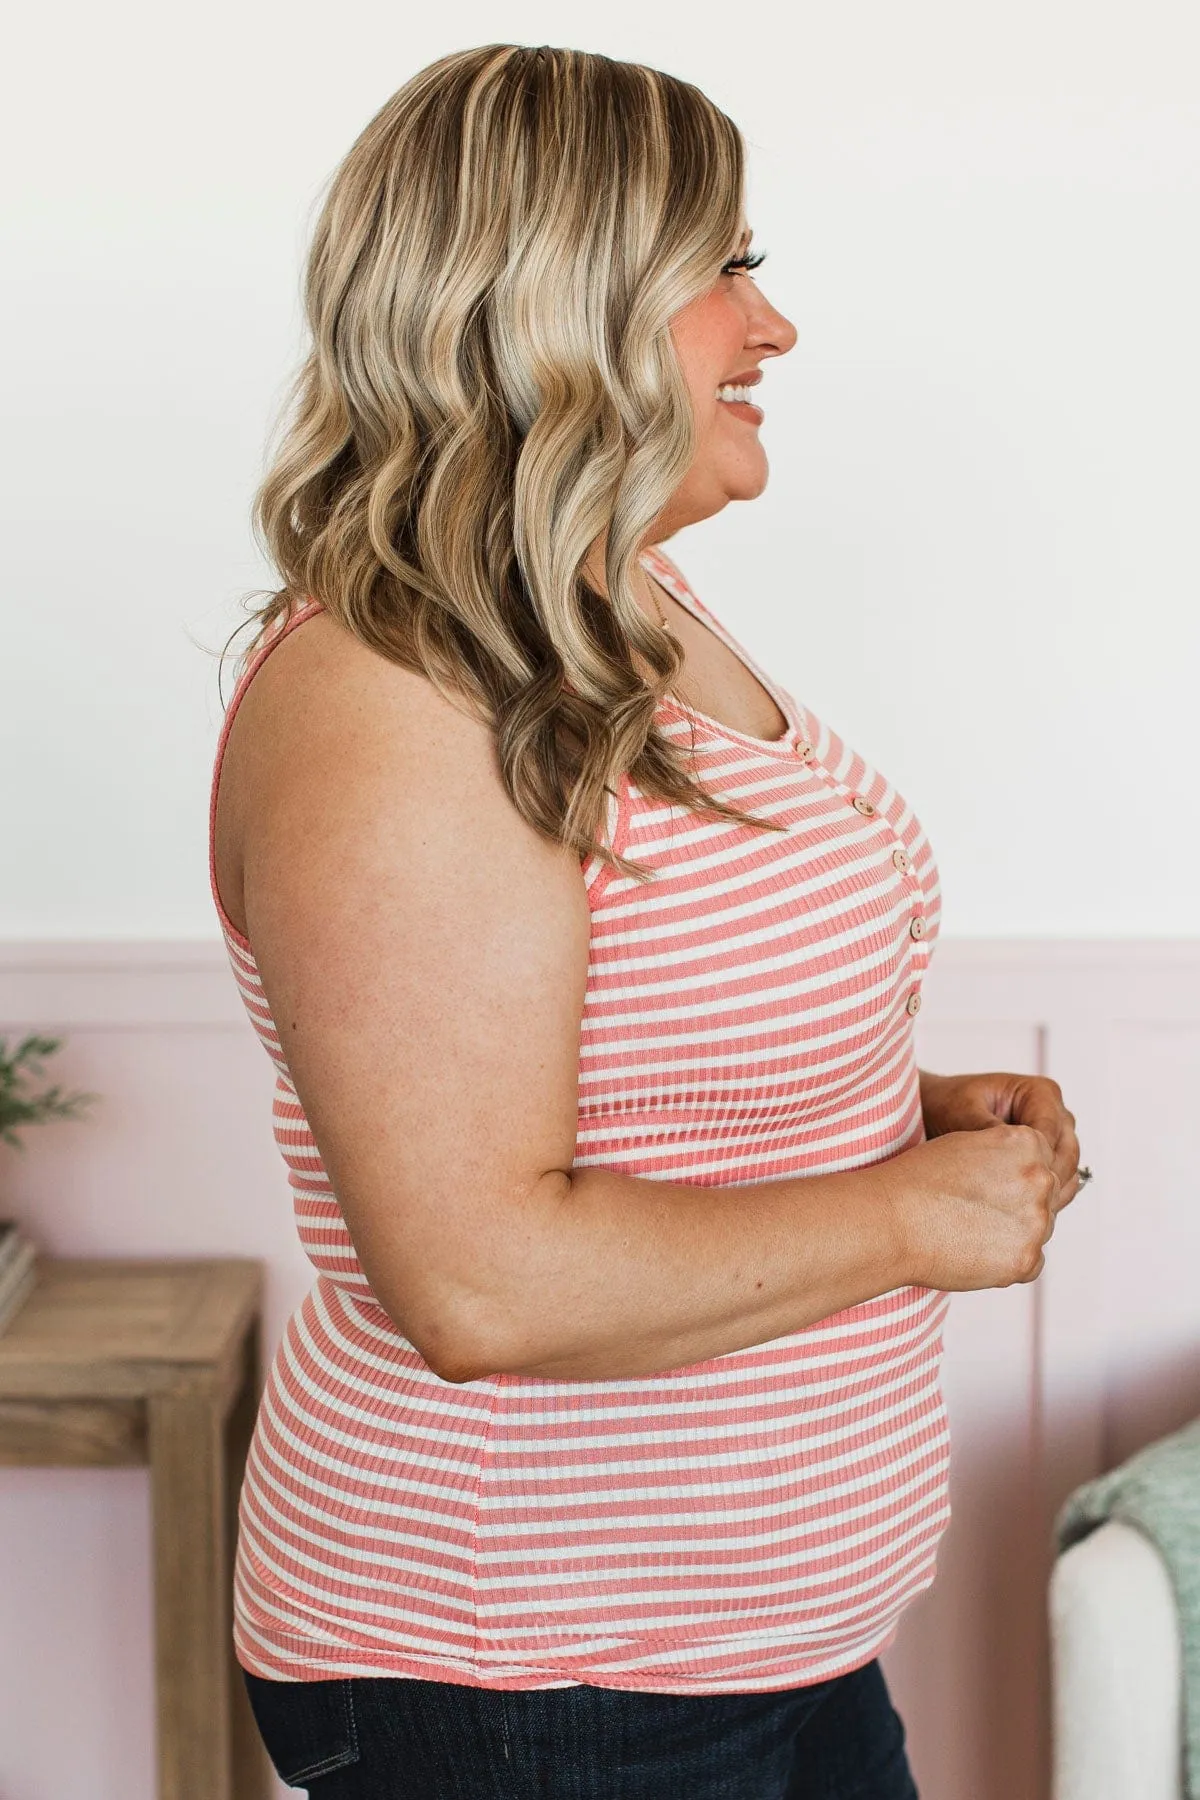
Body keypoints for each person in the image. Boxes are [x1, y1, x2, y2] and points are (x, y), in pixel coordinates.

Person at [209, 42, 1083, 1800]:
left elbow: (602, 1066)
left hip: (764, 1643)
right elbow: (476, 1278)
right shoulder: (397, 695)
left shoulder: (625, 603)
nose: (772, 329)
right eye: (725, 268)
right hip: (532, 1676)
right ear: (560, 298)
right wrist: (910, 1216)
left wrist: (884, 1115)